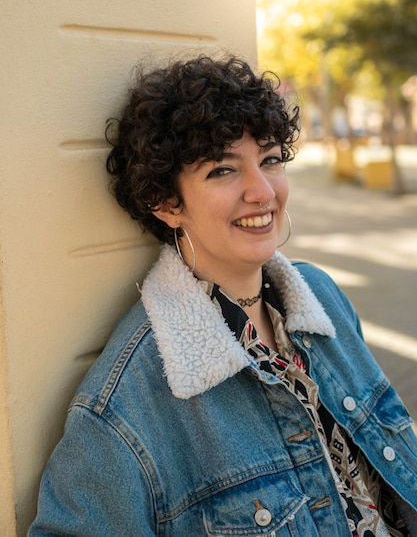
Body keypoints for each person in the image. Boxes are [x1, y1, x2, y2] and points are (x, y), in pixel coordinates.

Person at [29, 55, 417, 537]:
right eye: (222, 171)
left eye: (270, 160)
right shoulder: (128, 405)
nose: (262, 192)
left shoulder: (321, 296)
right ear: (168, 204)